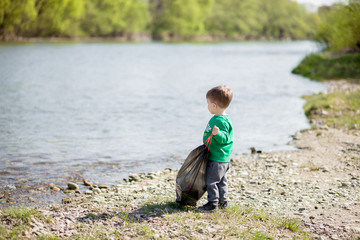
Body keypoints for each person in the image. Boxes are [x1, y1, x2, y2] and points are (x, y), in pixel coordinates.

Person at [199, 85, 234, 211]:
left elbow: (225, 137)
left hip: (217, 158)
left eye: (208, 103)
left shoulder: (221, 121)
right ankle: (223, 201)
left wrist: (217, 134)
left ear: (214, 105)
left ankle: (213, 203)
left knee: (211, 181)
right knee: (221, 181)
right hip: (222, 158)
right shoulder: (223, 118)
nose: (207, 106)